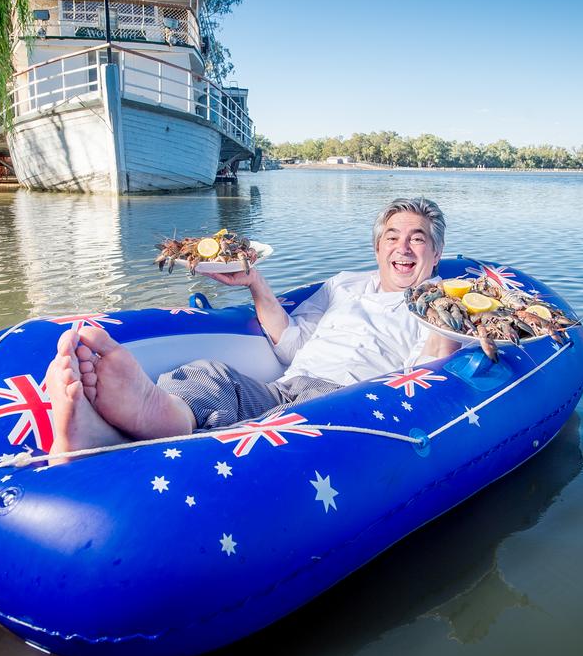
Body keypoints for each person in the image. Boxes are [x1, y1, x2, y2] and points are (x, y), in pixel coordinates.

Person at [44, 197, 458, 461]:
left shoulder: (443, 306)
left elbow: (427, 379)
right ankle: (132, 422)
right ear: (378, 248)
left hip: (347, 401)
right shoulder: (345, 284)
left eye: (417, 239)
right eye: (392, 237)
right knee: (211, 375)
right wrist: (254, 282)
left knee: (275, 430)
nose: (403, 248)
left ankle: (131, 434)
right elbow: (291, 344)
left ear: (436, 253)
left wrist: (442, 317)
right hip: (291, 383)